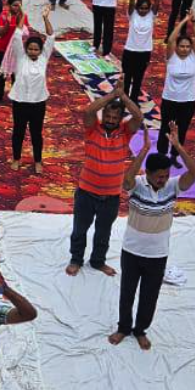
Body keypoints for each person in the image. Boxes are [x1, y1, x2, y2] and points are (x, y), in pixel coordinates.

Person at [109, 132, 195, 349]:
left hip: (158, 254)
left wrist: (178, 146)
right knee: (127, 293)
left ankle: (140, 330)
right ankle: (123, 328)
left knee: (150, 296)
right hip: (132, 251)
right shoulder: (137, 185)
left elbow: (194, 173)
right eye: (159, 176)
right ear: (147, 173)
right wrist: (142, 151)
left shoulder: (173, 186)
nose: (163, 179)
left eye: (166, 175)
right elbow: (127, 179)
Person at [68, 89, 142, 277]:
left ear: (120, 119)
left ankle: (98, 261)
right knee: (79, 229)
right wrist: (112, 95)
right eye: (107, 116)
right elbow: (89, 111)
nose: (110, 120)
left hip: (111, 196)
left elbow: (138, 117)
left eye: (114, 117)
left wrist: (123, 97)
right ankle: (76, 259)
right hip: (86, 192)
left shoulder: (125, 133)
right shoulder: (93, 129)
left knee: (103, 232)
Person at [7, 11, 56, 174]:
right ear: (26, 49)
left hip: (38, 103)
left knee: (36, 133)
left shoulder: (44, 58)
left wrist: (45, 18)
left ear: (41, 51)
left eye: (36, 49)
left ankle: (38, 161)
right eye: (30, 49)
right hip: (20, 102)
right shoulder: (21, 58)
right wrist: (22, 18)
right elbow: (17, 36)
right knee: (18, 132)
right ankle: (16, 158)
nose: (33, 52)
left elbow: (51, 37)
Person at [157, 15, 195, 155]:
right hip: (170, 99)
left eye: (188, 46)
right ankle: (161, 153)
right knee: (165, 128)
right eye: (182, 46)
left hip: (188, 101)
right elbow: (171, 39)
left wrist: (194, 23)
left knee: (182, 129)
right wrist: (184, 20)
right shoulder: (171, 57)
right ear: (176, 47)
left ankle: (176, 154)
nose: (185, 49)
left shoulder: (194, 57)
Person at [120, 0, 160, 102]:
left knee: (138, 78)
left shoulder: (151, 15)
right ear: (137, 8)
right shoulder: (132, 15)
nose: (143, 11)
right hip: (130, 50)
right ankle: (124, 99)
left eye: (146, 8)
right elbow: (131, 4)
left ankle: (133, 100)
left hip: (144, 52)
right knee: (127, 77)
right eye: (141, 8)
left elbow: (157, 3)